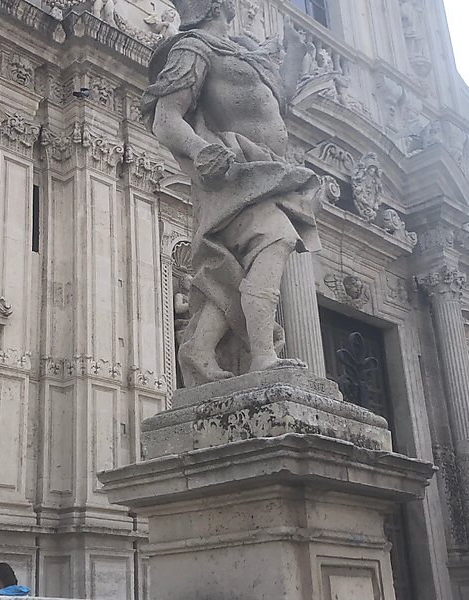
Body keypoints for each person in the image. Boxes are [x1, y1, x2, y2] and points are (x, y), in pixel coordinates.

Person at [142, 0, 321, 386]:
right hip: (232, 169)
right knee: (276, 238)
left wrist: (295, 53)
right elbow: (166, 116)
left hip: (269, 167)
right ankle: (263, 356)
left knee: (233, 270)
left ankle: (199, 349)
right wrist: (200, 149)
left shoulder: (242, 50)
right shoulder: (195, 47)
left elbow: (277, 104)